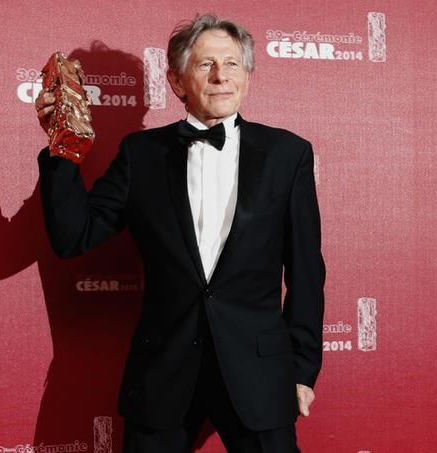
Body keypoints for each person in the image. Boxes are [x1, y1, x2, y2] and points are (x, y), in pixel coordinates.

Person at [35, 13, 325, 453]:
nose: (220, 76)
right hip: (163, 373)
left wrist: (303, 369)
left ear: (247, 75)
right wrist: (62, 150)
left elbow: (306, 271)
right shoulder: (141, 154)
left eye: (231, 64)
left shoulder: (288, 154)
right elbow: (74, 236)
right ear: (176, 80)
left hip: (259, 372)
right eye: (206, 64)